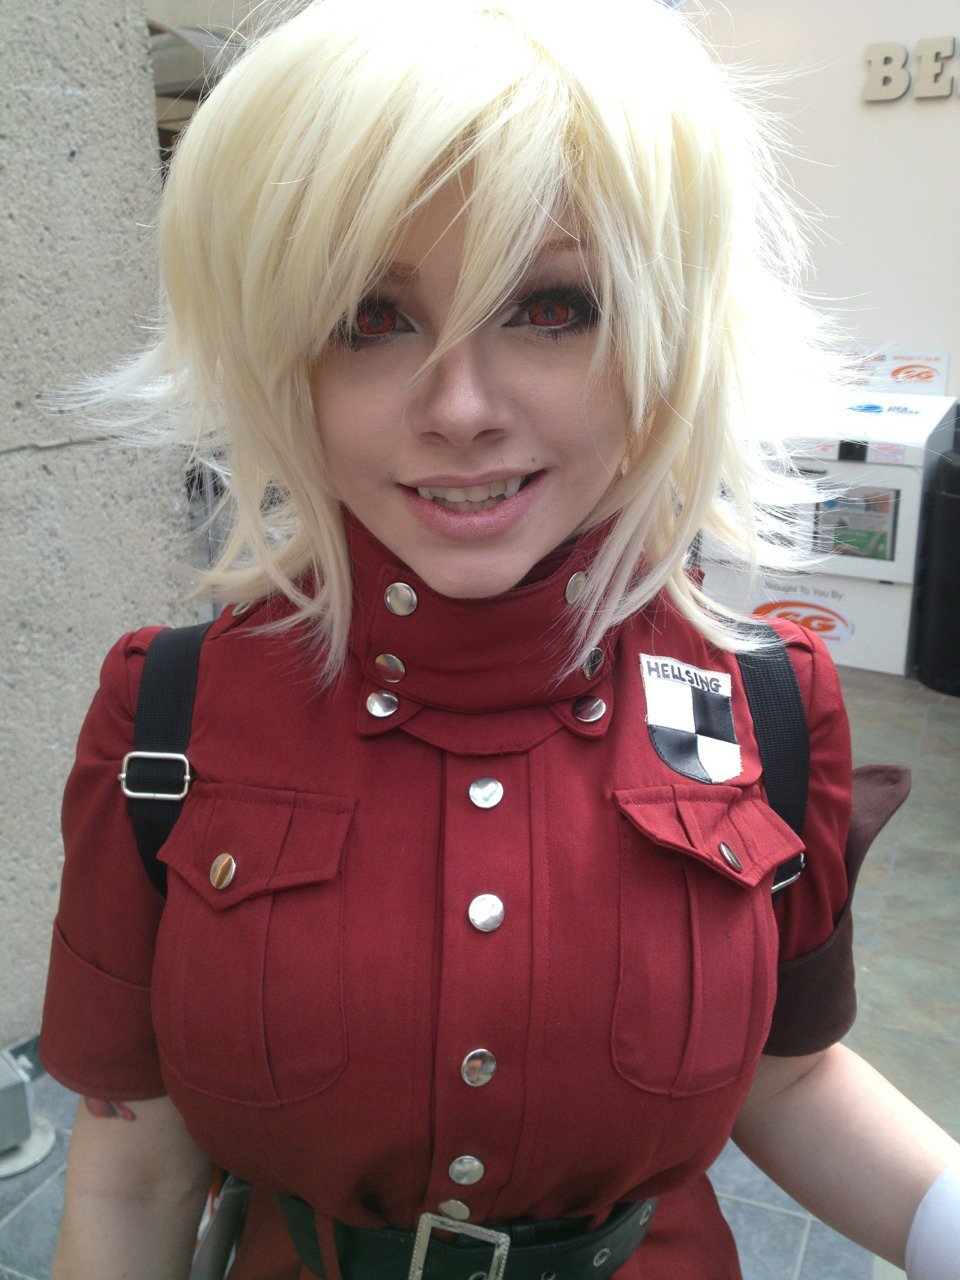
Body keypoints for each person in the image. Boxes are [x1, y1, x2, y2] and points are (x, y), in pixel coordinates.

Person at [38, 0, 960, 1277]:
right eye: (370, 316)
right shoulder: (169, 716)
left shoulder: (767, 707)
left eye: (552, 305)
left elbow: (790, 1079)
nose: (461, 408)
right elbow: (136, 1172)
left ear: (665, 339)